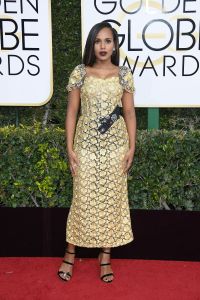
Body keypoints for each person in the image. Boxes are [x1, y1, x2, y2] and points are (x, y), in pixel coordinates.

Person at [57, 21, 136, 283]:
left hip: (116, 146)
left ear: (115, 45)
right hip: (86, 146)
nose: (103, 46)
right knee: (82, 198)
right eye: (98, 41)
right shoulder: (80, 72)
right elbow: (71, 112)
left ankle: (105, 257)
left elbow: (129, 112)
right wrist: (69, 147)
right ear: (92, 44)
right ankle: (70, 253)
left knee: (112, 199)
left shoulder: (124, 74)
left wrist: (132, 147)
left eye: (108, 41)